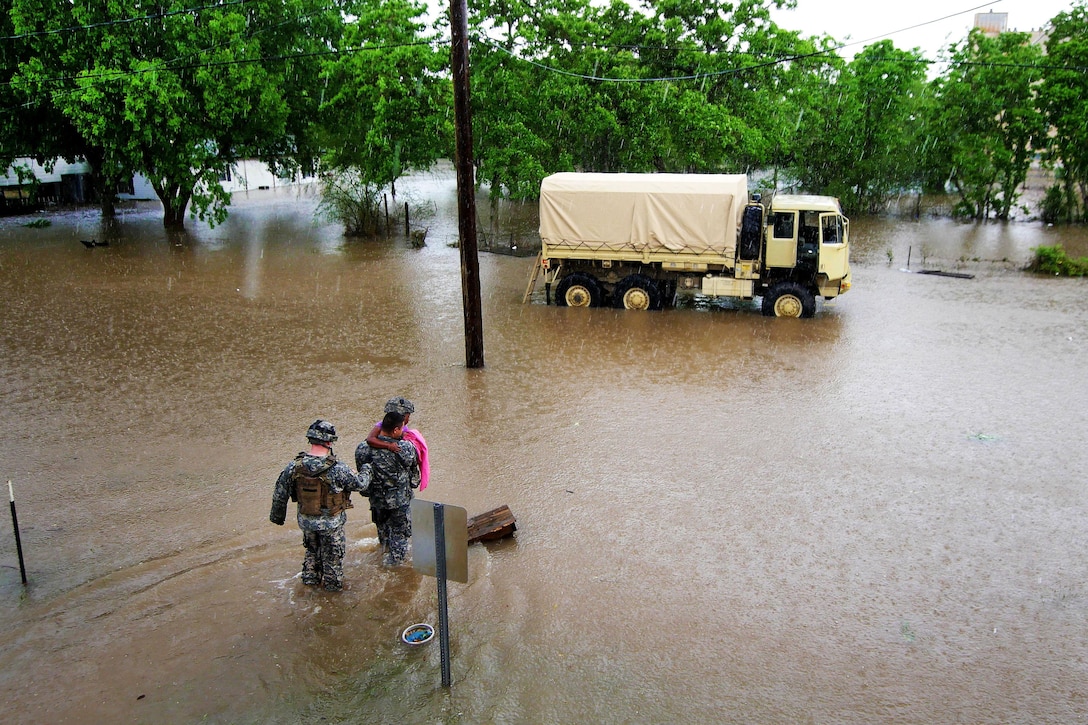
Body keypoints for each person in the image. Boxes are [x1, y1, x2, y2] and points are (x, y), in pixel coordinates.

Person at [270, 420, 371, 592]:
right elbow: (361, 484)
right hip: (331, 525)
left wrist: (277, 518)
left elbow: (280, 493)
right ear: (330, 442)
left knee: (311, 552)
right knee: (332, 561)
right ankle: (332, 597)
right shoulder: (338, 468)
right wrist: (367, 469)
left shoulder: (294, 466)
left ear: (310, 439)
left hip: (307, 522)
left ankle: (309, 588)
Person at [355, 411, 418, 567]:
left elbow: (362, 475)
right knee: (400, 536)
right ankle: (395, 570)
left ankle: (382, 560)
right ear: (396, 430)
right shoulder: (405, 447)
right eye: (403, 428)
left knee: (383, 537)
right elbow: (414, 472)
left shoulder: (362, 448)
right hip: (399, 503)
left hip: (377, 501)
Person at [365, 396, 429, 491]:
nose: (409, 419)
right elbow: (370, 439)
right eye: (408, 416)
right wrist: (388, 445)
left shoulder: (403, 428)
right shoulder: (381, 425)